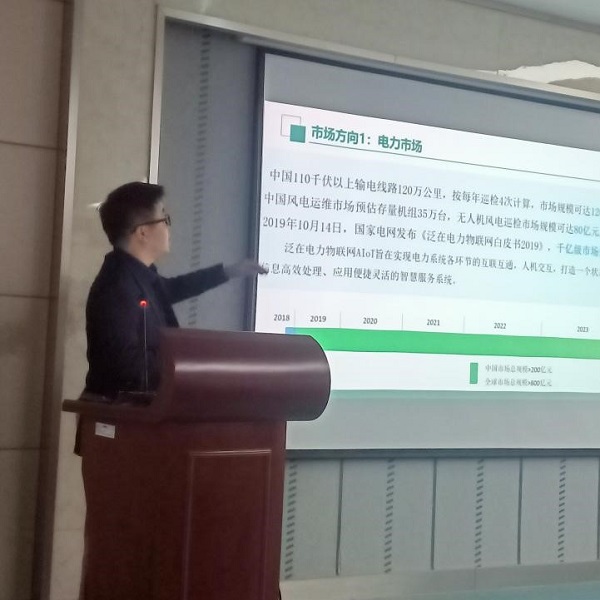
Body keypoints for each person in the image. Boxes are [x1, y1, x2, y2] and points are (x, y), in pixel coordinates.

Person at [84, 181, 266, 400]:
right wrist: (188, 366)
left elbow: (174, 288)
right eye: (164, 218)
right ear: (143, 232)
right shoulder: (117, 287)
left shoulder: (137, 275)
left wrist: (229, 272)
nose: (168, 227)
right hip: (120, 413)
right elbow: (125, 366)